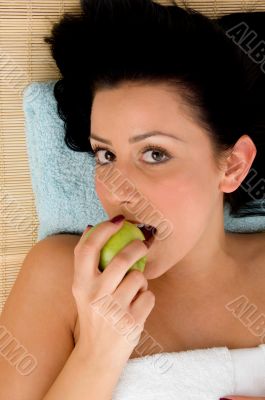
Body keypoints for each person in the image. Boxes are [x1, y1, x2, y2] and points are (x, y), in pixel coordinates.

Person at [1, 0, 265, 399]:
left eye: (155, 153)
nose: (117, 188)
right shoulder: (57, 279)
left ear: (232, 165)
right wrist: (99, 349)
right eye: (106, 155)